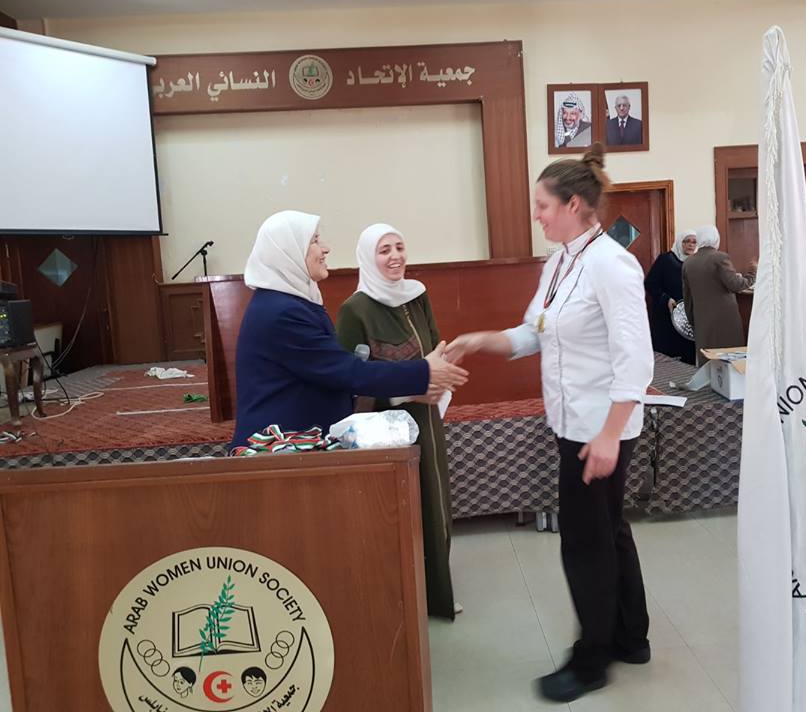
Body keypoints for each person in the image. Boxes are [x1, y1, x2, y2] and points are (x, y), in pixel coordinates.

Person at [447, 143, 653, 704]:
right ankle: (631, 637)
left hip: (599, 429)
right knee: (609, 528)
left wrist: (609, 434)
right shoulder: (560, 262)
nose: (536, 215)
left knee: (585, 542)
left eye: (542, 205)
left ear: (574, 205)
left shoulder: (611, 264)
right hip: (572, 421)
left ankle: (592, 660)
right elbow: (533, 333)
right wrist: (480, 340)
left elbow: (636, 359)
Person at [230, 210, 468, 449]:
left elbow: (331, 375)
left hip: (299, 446)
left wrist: (414, 385)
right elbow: (345, 371)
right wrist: (424, 372)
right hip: (279, 450)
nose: (325, 248)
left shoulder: (293, 303)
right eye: (315, 241)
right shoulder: (282, 312)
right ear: (287, 251)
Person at [336, 223, 458, 621]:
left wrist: (439, 378)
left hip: (426, 418)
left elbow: (436, 350)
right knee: (401, 510)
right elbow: (351, 385)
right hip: (385, 428)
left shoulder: (417, 295)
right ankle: (403, 598)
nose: (394, 257)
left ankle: (437, 594)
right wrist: (409, 390)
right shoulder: (355, 310)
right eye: (384, 250)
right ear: (367, 258)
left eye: (399, 247)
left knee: (435, 501)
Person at [681, 224, 756, 366]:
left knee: (708, 361)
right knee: (729, 361)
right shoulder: (719, 258)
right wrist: (752, 273)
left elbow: (687, 297)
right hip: (725, 320)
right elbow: (737, 285)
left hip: (702, 321)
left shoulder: (688, 262)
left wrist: (693, 320)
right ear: (716, 238)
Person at [644, 230, 697, 364]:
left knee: (688, 357)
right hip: (666, 314)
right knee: (667, 357)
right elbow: (650, 283)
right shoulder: (666, 260)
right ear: (679, 242)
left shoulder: (696, 262)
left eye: (694, 242)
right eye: (687, 241)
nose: (691, 245)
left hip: (687, 318)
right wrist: (665, 299)